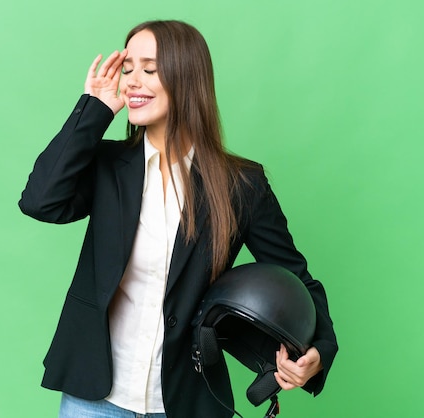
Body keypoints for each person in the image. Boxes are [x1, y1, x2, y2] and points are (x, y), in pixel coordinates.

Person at [19, 19, 338, 418]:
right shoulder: (108, 165)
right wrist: (94, 109)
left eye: (149, 69)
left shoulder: (241, 184)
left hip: (188, 401)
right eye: (128, 68)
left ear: (187, 78)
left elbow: (297, 279)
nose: (133, 80)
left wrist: (318, 354)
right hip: (94, 400)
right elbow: (40, 201)